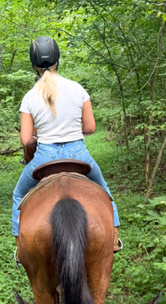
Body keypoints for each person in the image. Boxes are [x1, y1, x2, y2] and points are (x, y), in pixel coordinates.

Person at [12, 36, 121, 255]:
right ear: (57, 61)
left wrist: (44, 134)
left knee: (18, 194)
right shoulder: (77, 89)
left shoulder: (30, 97)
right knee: (104, 189)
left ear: (33, 65)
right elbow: (90, 128)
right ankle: (114, 239)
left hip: (44, 156)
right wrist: (68, 129)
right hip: (78, 153)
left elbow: (26, 140)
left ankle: (20, 247)